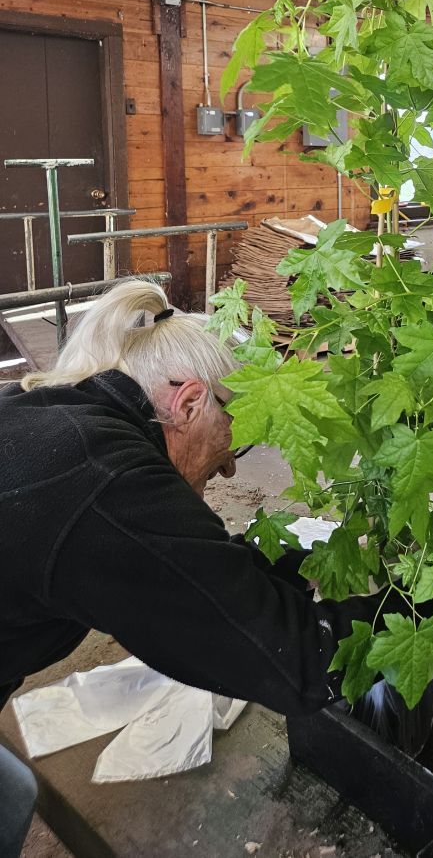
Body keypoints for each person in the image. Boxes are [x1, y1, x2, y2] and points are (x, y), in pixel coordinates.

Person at [0, 279, 391, 850]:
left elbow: (191, 568)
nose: (231, 471)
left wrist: (296, 559)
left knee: (12, 797)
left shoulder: (63, 416)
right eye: (233, 445)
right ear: (188, 404)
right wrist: (421, 615)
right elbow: (293, 659)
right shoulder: (110, 484)